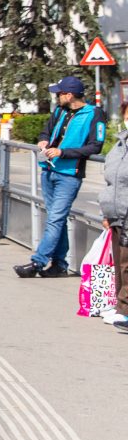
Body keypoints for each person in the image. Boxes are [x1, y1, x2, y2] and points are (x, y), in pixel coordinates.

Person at [17, 77, 104, 278]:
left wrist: (62, 153)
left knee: (55, 219)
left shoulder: (94, 114)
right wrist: (43, 141)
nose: (57, 96)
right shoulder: (59, 111)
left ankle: (37, 263)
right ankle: (59, 264)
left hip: (69, 175)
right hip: (48, 171)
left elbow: (95, 146)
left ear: (69, 95)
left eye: (59, 93)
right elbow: (45, 131)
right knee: (57, 219)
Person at [97, 101, 128, 329]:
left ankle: (124, 309)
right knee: (119, 263)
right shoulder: (119, 144)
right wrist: (107, 211)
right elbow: (110, 180)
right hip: (116, 212)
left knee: (127, 263)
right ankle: (121, 306)